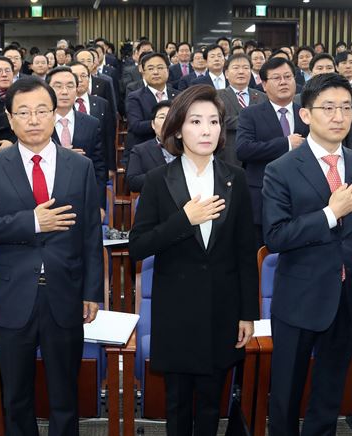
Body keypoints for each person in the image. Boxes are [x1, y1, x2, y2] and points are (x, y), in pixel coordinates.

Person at [0, 77, 103, 436]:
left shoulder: (79, 166)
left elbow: (90, 233)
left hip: (66, 294)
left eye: (42, 110)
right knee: (16, 396)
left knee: (64, 395)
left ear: (55, 114)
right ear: (10, 119)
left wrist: (92, 292)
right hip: (12, 296)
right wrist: (31, 222)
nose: (34, 119)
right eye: (23, 112)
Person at [128, 84, 258, 436]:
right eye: (196, 121)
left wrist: (248, 314)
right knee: (179, 404)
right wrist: (185, 220)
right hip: (177, 312)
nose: (206, 130)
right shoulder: (158, 180)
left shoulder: (236, 179)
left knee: (211, 404)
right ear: (177, 129)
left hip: (223, 309)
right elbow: (138, 246)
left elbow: (246, 251)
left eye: (214, 122)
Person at [262, 73, 352, 436]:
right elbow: (276, 236)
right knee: (285, 394)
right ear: (306, 115)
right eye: (328, 108)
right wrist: (331, 214)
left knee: (329, 394)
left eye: (346, 107)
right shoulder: (281, 169)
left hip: (347, 301)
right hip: (299, 300)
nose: (339, 116)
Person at [236, 57, 309, 247]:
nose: (283, 82)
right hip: (262, 195)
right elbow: (243, 150)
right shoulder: (250, 114)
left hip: (303, 196)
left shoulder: (307, 113)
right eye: (277, 78)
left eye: (288, 76)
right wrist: (286, 143)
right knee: (261, 256)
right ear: (264, 84)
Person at [47, 66, 106, 214]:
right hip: (48, 200)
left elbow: (98, 168)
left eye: (70, 86)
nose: (64, 91)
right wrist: (61, 154)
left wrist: (100, 205)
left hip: (82, 197)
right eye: (58, 86)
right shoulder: (39, 123)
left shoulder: (91, 123)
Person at [125, 52, 179, 164]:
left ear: (167, 71)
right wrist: (168, 123)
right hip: (145, 155)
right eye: (150, 68)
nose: (155, 72)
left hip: (176, 152)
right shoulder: (135, 97)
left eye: (160, 67)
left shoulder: (179, 96)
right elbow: (136, 125)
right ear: (143, 73)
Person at [217, 54, 268, 166]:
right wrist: (250, 121)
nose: (241, 72)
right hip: (228, 156)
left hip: (257, 156)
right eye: (236, 68)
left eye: (245, 68)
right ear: (226, 73)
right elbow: (219, 120)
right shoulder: (217, 96)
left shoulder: (262, 97)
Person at [125, 100, 174, 192]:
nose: (167, 121)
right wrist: (167, 174)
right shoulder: (140, 150)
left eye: (172, 116)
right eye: (162, 117)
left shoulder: (189, 148)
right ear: (153, 124)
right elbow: (133, 182)